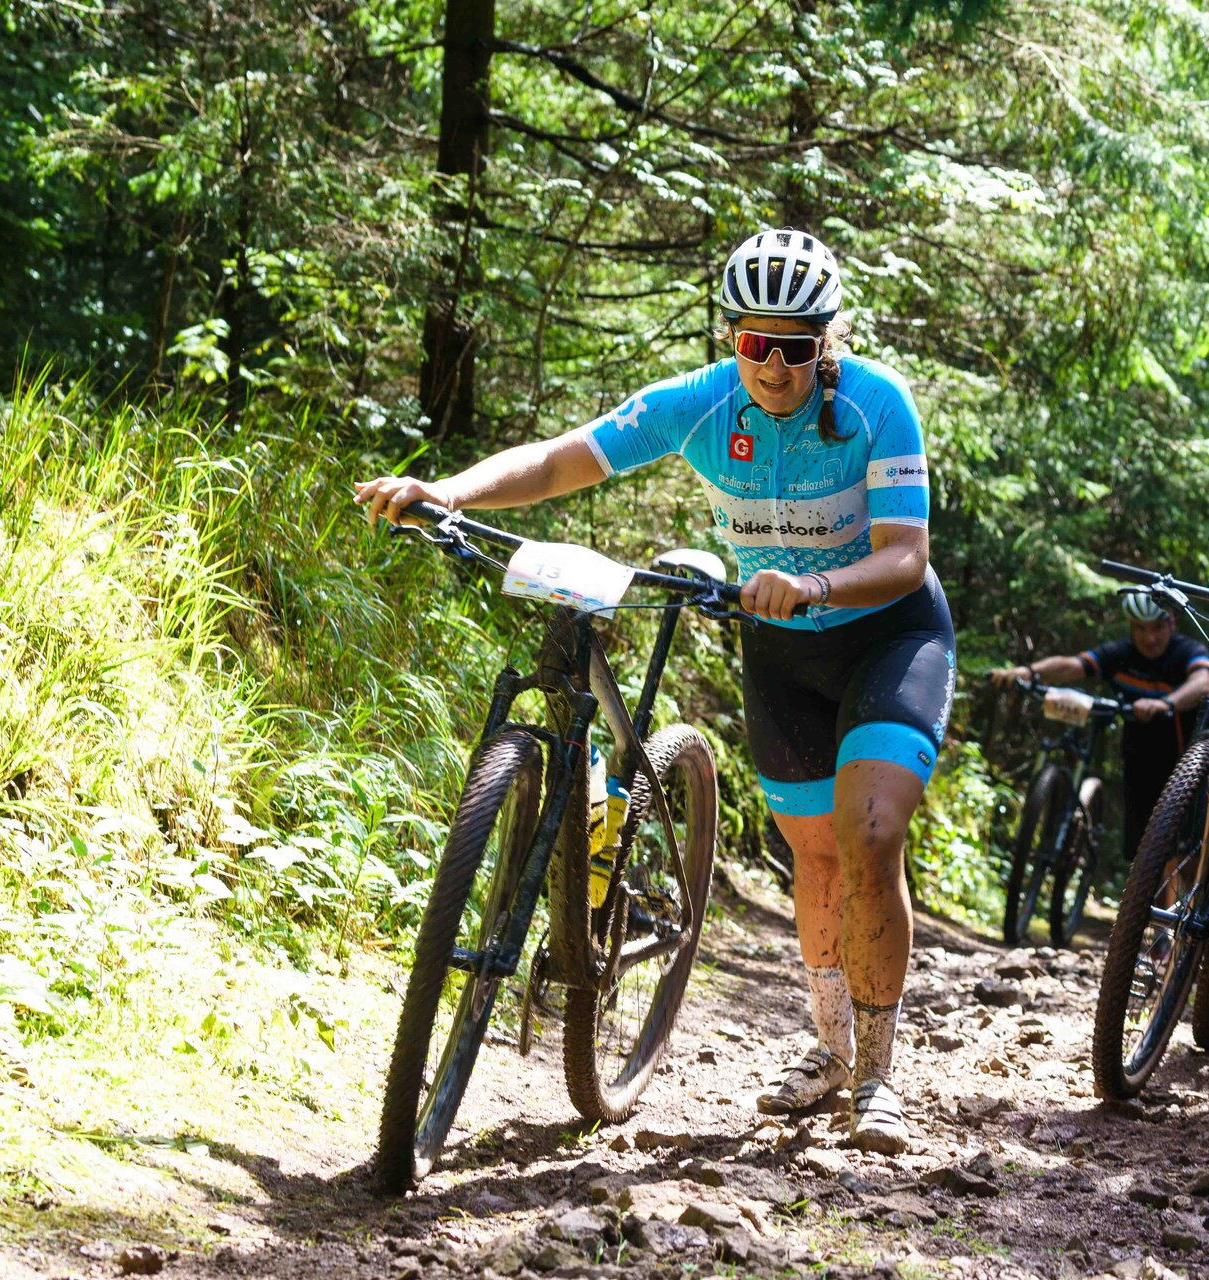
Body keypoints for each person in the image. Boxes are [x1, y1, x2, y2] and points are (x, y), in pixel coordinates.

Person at [356, 229, 952, 1155]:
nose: (774, 366)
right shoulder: (701, 402)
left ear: (826, 343)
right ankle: (832, 1050)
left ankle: (877, 1076)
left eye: (796, 348)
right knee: (816, 858)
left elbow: (906, 556)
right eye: (755, 344)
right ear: (731, 338)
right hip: (782, 647)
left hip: (887, 636)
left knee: (869, 838)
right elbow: (564, 459)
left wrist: (816, 585)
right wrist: (451, 492)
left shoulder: (879, 406)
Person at [988, 592, 1209, 865]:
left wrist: (1166, 703)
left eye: (1157, 627)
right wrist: (1028, 671)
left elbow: (1202, 683)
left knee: (1183, 853)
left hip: (1184, 762)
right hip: (1138, 760)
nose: (1149, 638)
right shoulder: (1122, 653)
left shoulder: (1186, 651)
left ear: (1172, 623)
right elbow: (1071, 666)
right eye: (1140, 628)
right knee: (1140, 852)